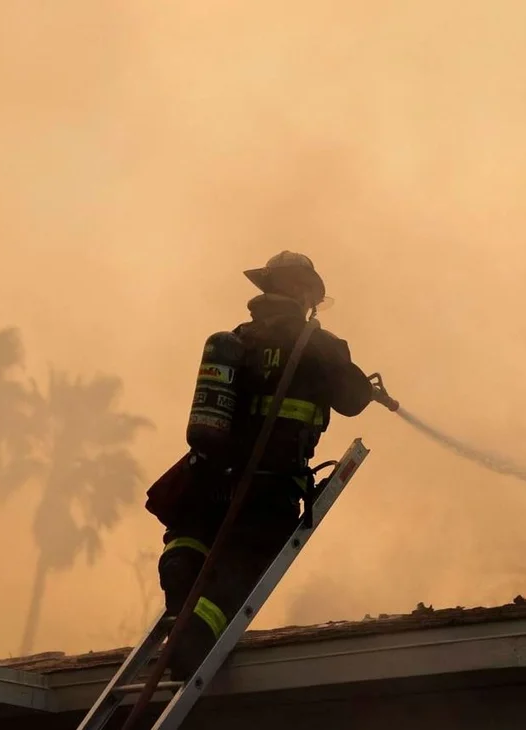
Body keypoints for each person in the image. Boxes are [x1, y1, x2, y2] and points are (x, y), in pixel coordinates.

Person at [151, 251, 376, 678]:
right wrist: (361, 382)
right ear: (303, 292)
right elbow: (352, 400)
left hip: (210, 476)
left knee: (191, 538)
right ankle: (193, 641)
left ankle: (181, 578)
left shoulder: (236, 340)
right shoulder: (319, 345)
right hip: (269, 483)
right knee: (244, 565)